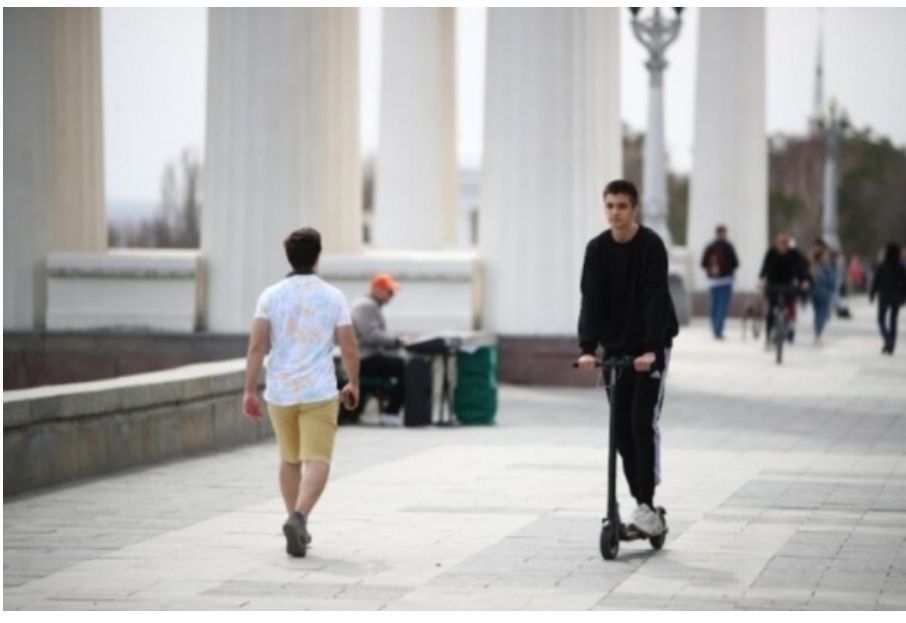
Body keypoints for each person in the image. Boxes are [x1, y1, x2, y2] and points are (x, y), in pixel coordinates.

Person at [242, 227, 360, 558]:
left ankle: (295, 522)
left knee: (290, 460)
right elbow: (349, 347)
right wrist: (354, 382)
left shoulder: (270, 296)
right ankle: (299, 517)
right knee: (318, 459)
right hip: (318, 391)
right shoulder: (333, 296)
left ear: (288, 256)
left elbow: (256, 346)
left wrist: (249, 389)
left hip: (280, 390)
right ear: (318, 255)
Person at [576, 179, 679, 538]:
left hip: (651, 350)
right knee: (620, 431)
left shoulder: (651, 246)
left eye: (622, 206)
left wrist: (651, 347)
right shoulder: (597, 250)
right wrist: (589, 349)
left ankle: (647, 502)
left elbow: (654, 297)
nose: (615, 212)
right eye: (610, 206)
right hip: (617, 350)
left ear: (634, 209)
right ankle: (643, 504)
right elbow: (591, 300)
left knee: (641, 423)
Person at [351, 273, 406, 424]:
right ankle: (391, 412)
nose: (391, 296)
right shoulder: (366, 306)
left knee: (404, 365)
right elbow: (372, 335)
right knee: (407, 367)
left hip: (367, 357)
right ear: (377, 290)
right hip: (364, 358)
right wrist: (396, 341)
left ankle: (391, 410)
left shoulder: (369, 305)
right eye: (389, 292)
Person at [758, 233, 810, 343]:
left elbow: (801, 268)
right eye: (780, 245)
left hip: (788, 283)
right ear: (777, 244)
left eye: (785, 245)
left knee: (790, 304)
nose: (782, 247)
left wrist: (805, 280)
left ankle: (790, 327)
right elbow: (765, 267)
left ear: (788, 245)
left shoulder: (794, 254)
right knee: (771, 308)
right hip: (773, 283)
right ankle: (769, 333)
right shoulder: (771, 253)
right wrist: (761, 278)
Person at [700, 224, 739, 340]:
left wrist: (711, 272)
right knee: (722, 306)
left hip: (713, 281)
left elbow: (703, 263)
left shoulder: (710, 247)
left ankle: (714, 328)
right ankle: (718, 330)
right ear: (724, 233)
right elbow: (736, 263)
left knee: (714, 305)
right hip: (726, 280)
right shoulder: (728, 246)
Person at [869, 242, 906, 355]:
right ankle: (892, 341)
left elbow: (876, 281)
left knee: (881, 319)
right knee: (893, 320)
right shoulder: (901, 267)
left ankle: (887, 339)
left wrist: (872, 294)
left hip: (884, 296)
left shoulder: (882, 266)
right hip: (896, 297)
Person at [809, 244, 838, 343]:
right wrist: (833, 287)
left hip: (813, 292)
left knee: (817, 312)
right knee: (822, 313)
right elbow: (831, 280)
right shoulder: (826, 266)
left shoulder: (812, 266)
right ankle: (818, 331)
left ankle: (816, 331)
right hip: (824, 292)